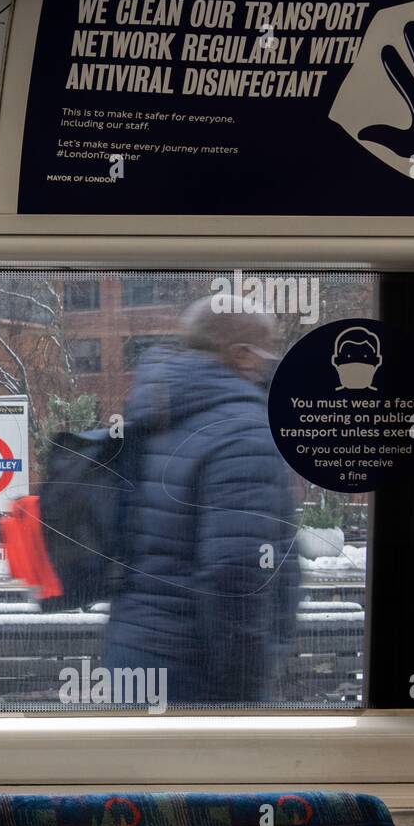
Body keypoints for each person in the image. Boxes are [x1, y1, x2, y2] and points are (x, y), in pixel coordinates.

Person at [103, 296, 300, 705]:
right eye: (269, 353)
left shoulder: (152, 414)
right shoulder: (242, 433)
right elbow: (235, 573)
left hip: (132, 651)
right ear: (243, 357)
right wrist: (245, 687)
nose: (271, 365)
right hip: (196, 671)